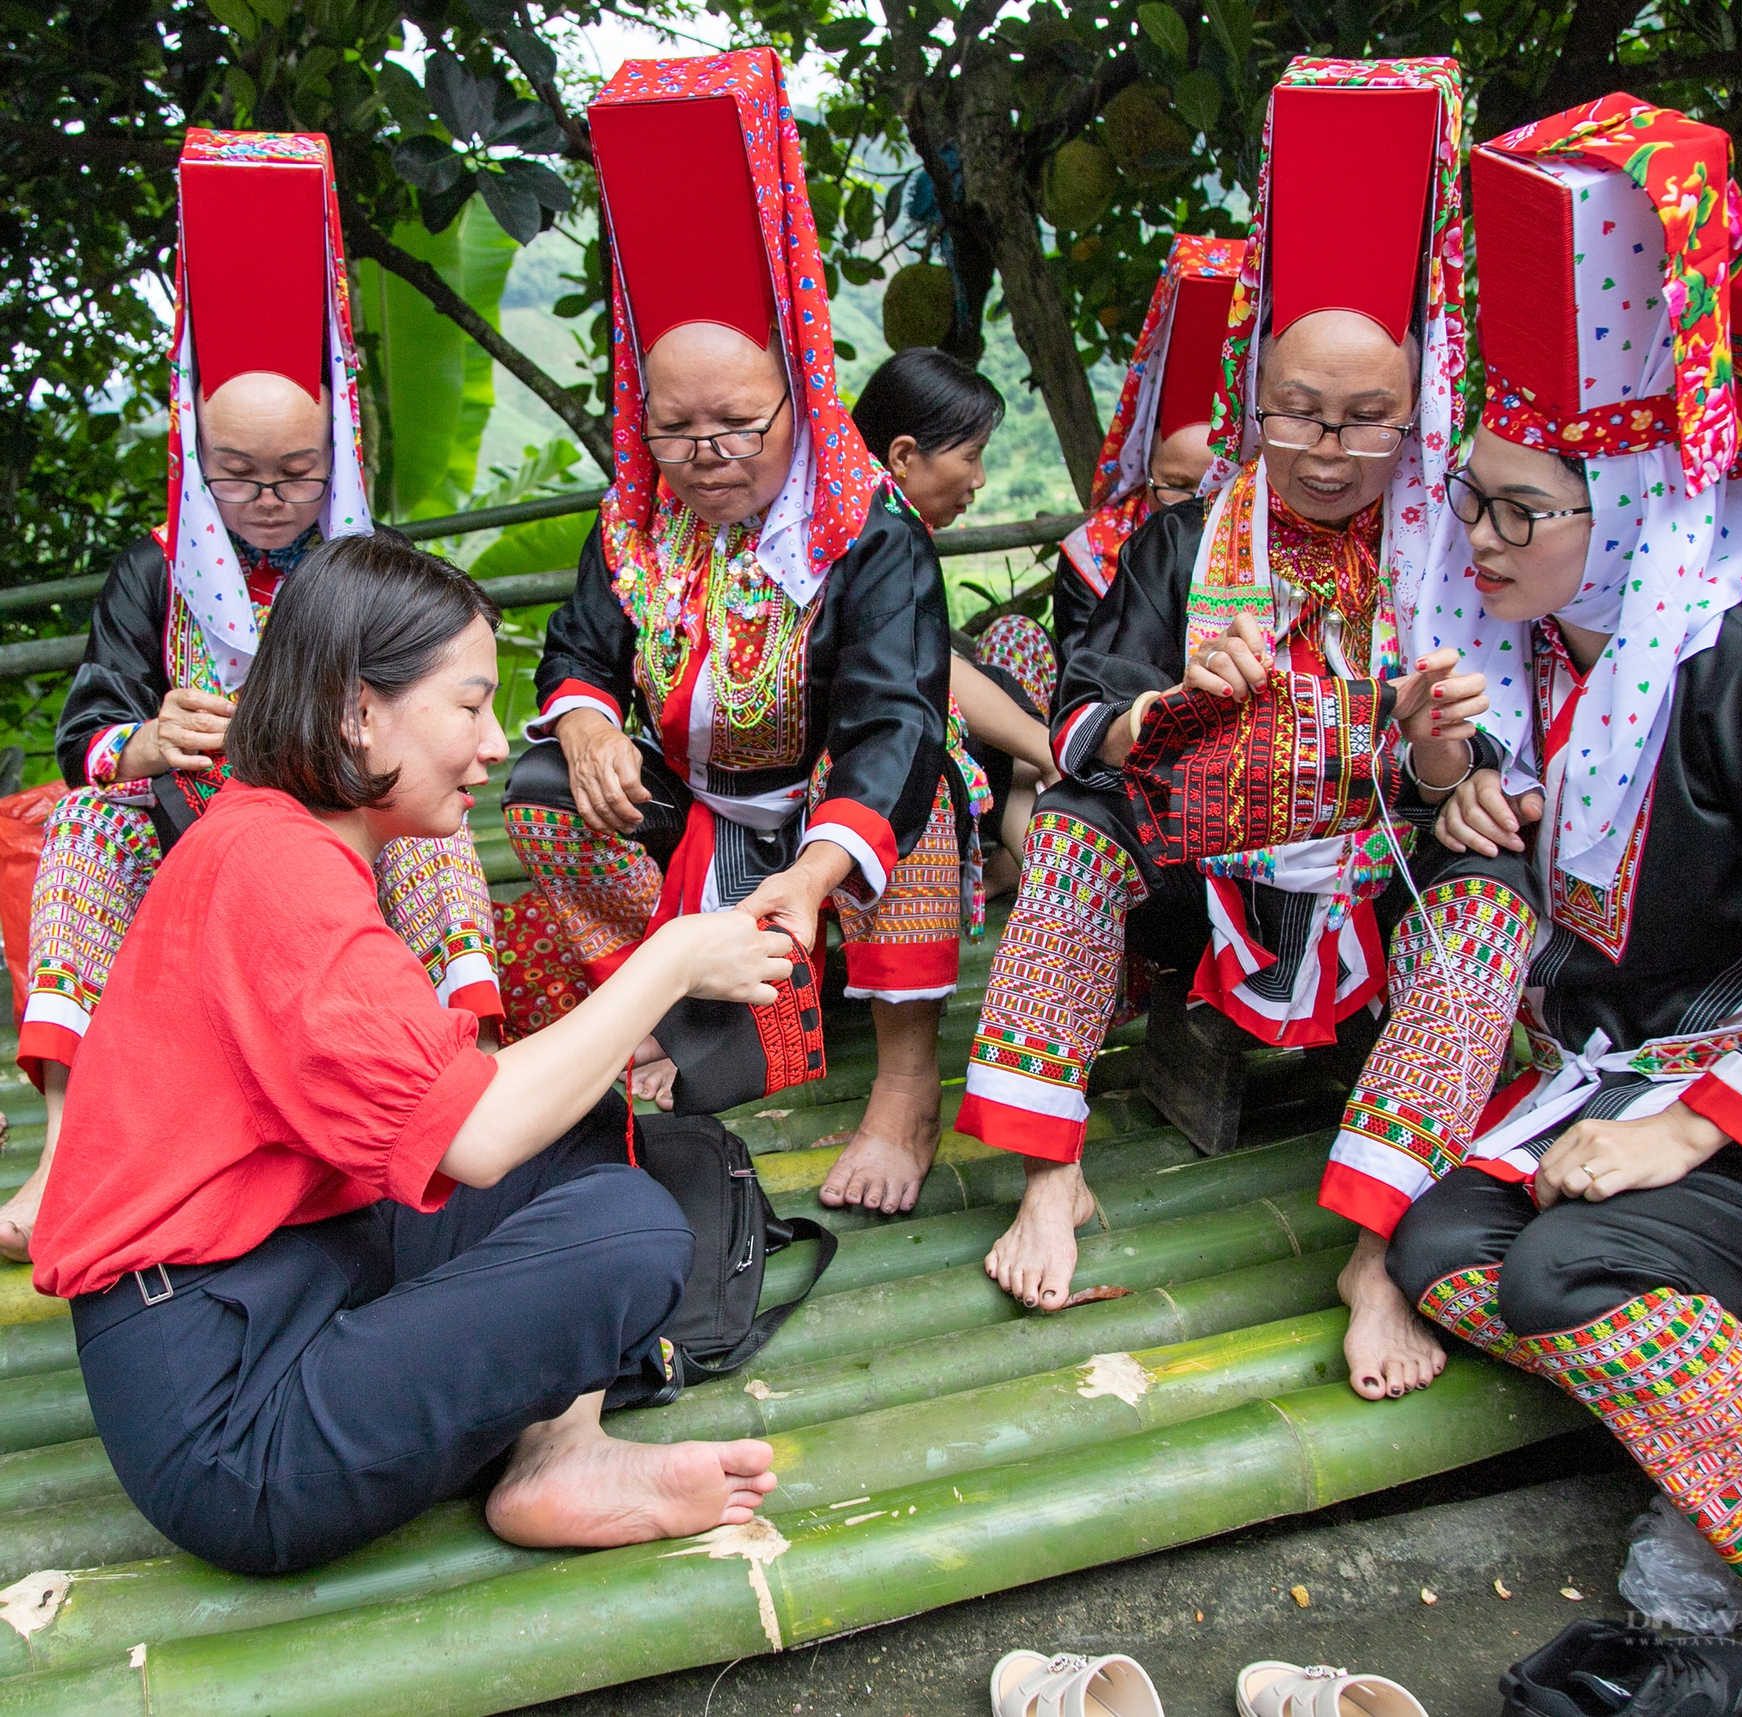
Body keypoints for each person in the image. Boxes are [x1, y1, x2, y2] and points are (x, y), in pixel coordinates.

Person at [1322, 97, 1742, 1711]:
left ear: (1619, 505)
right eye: (1468, 499)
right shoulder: (1543, 667)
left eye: (1513, 510)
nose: (1474, 539)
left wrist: (1685, 1133)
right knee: (1439, 1246)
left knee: (1557, 1279)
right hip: (1620, 1076)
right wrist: (1447, 792)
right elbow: (1520, 909)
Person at [31, 534, 786, 1575]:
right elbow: (472, 1135)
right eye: (469, 704)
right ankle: (537, 1449)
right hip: (226, 1423)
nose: (489, 745)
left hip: (290, 1264)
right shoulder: (278, 871)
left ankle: (557, 1452)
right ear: (357, 709)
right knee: (629, 1237)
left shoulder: (289, 838)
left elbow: (463, 1107)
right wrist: (666, 960)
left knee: (581, 1132)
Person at [957, 59, 1483, 1311]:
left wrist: (1441, 765)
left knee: (1496, 897)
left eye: (1366, 419)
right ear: (1255, 403)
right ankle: (1051, 1169)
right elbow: (1077, 724)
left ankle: (1377, 1247)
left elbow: (1496, 741)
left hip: (1376, 883)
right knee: (1080, 834)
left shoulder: (1448, 551)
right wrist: (1173, 705)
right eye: (1298, 414)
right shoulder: (1188, 540)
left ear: (1414, 418)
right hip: (1200, 890)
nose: (1328, 449)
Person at [0, 130, 500, 1264]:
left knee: (432, 827)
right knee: (81, 822)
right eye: (238, 474)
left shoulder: (369, 564)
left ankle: (462, 1077)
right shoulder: (156, 564)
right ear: (196, 458)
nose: (268, 499)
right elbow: (89, 722)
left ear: (337, 459)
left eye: (296, 474)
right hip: (198, 835)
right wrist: (142, 741)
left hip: (336, 828)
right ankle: (65, 1144)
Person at [501, 50, 957, 1219]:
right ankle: (649, 1001)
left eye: (736, 429)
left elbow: (892, 718)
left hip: (819, 811)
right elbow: (578, 650)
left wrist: (815, 869)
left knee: (921, 793)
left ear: (794, 410)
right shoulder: (645, 527)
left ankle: (904, 1081)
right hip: (701, 816)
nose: (704, 459)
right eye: (675, 430)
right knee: (548, 784)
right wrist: (594, 722)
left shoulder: (867, 533)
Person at [851, 345, 1059, 894]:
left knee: (1018, 648)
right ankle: (1056, 897)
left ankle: (1049, 893)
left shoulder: (880, 518)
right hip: (867, 750)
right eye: (971, 456)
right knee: (1018, 754)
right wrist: (1048, 750)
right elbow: (926, 663)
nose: (981, 478)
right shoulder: (874, 531)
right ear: (902, 455)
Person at [1054, 235, 1246, 662]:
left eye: (1217, 491)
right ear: (1144, 472)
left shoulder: (1276, 547)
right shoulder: (1097, 552)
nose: (1193, 511)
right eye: (1175, 486)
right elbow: (1084, 685)